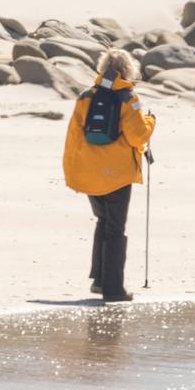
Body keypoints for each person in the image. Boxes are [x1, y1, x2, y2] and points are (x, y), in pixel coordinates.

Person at [62, 49, 155, 303]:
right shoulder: (128, 98)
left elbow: (74, 135)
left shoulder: (85, 96)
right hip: (117, 174)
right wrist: (151, 122)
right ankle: (113, 289)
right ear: (128, 70)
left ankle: (99, 280)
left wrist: (72, 169)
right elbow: (137, 136)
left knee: (103, 221)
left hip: (89, 171)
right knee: (115, 227)